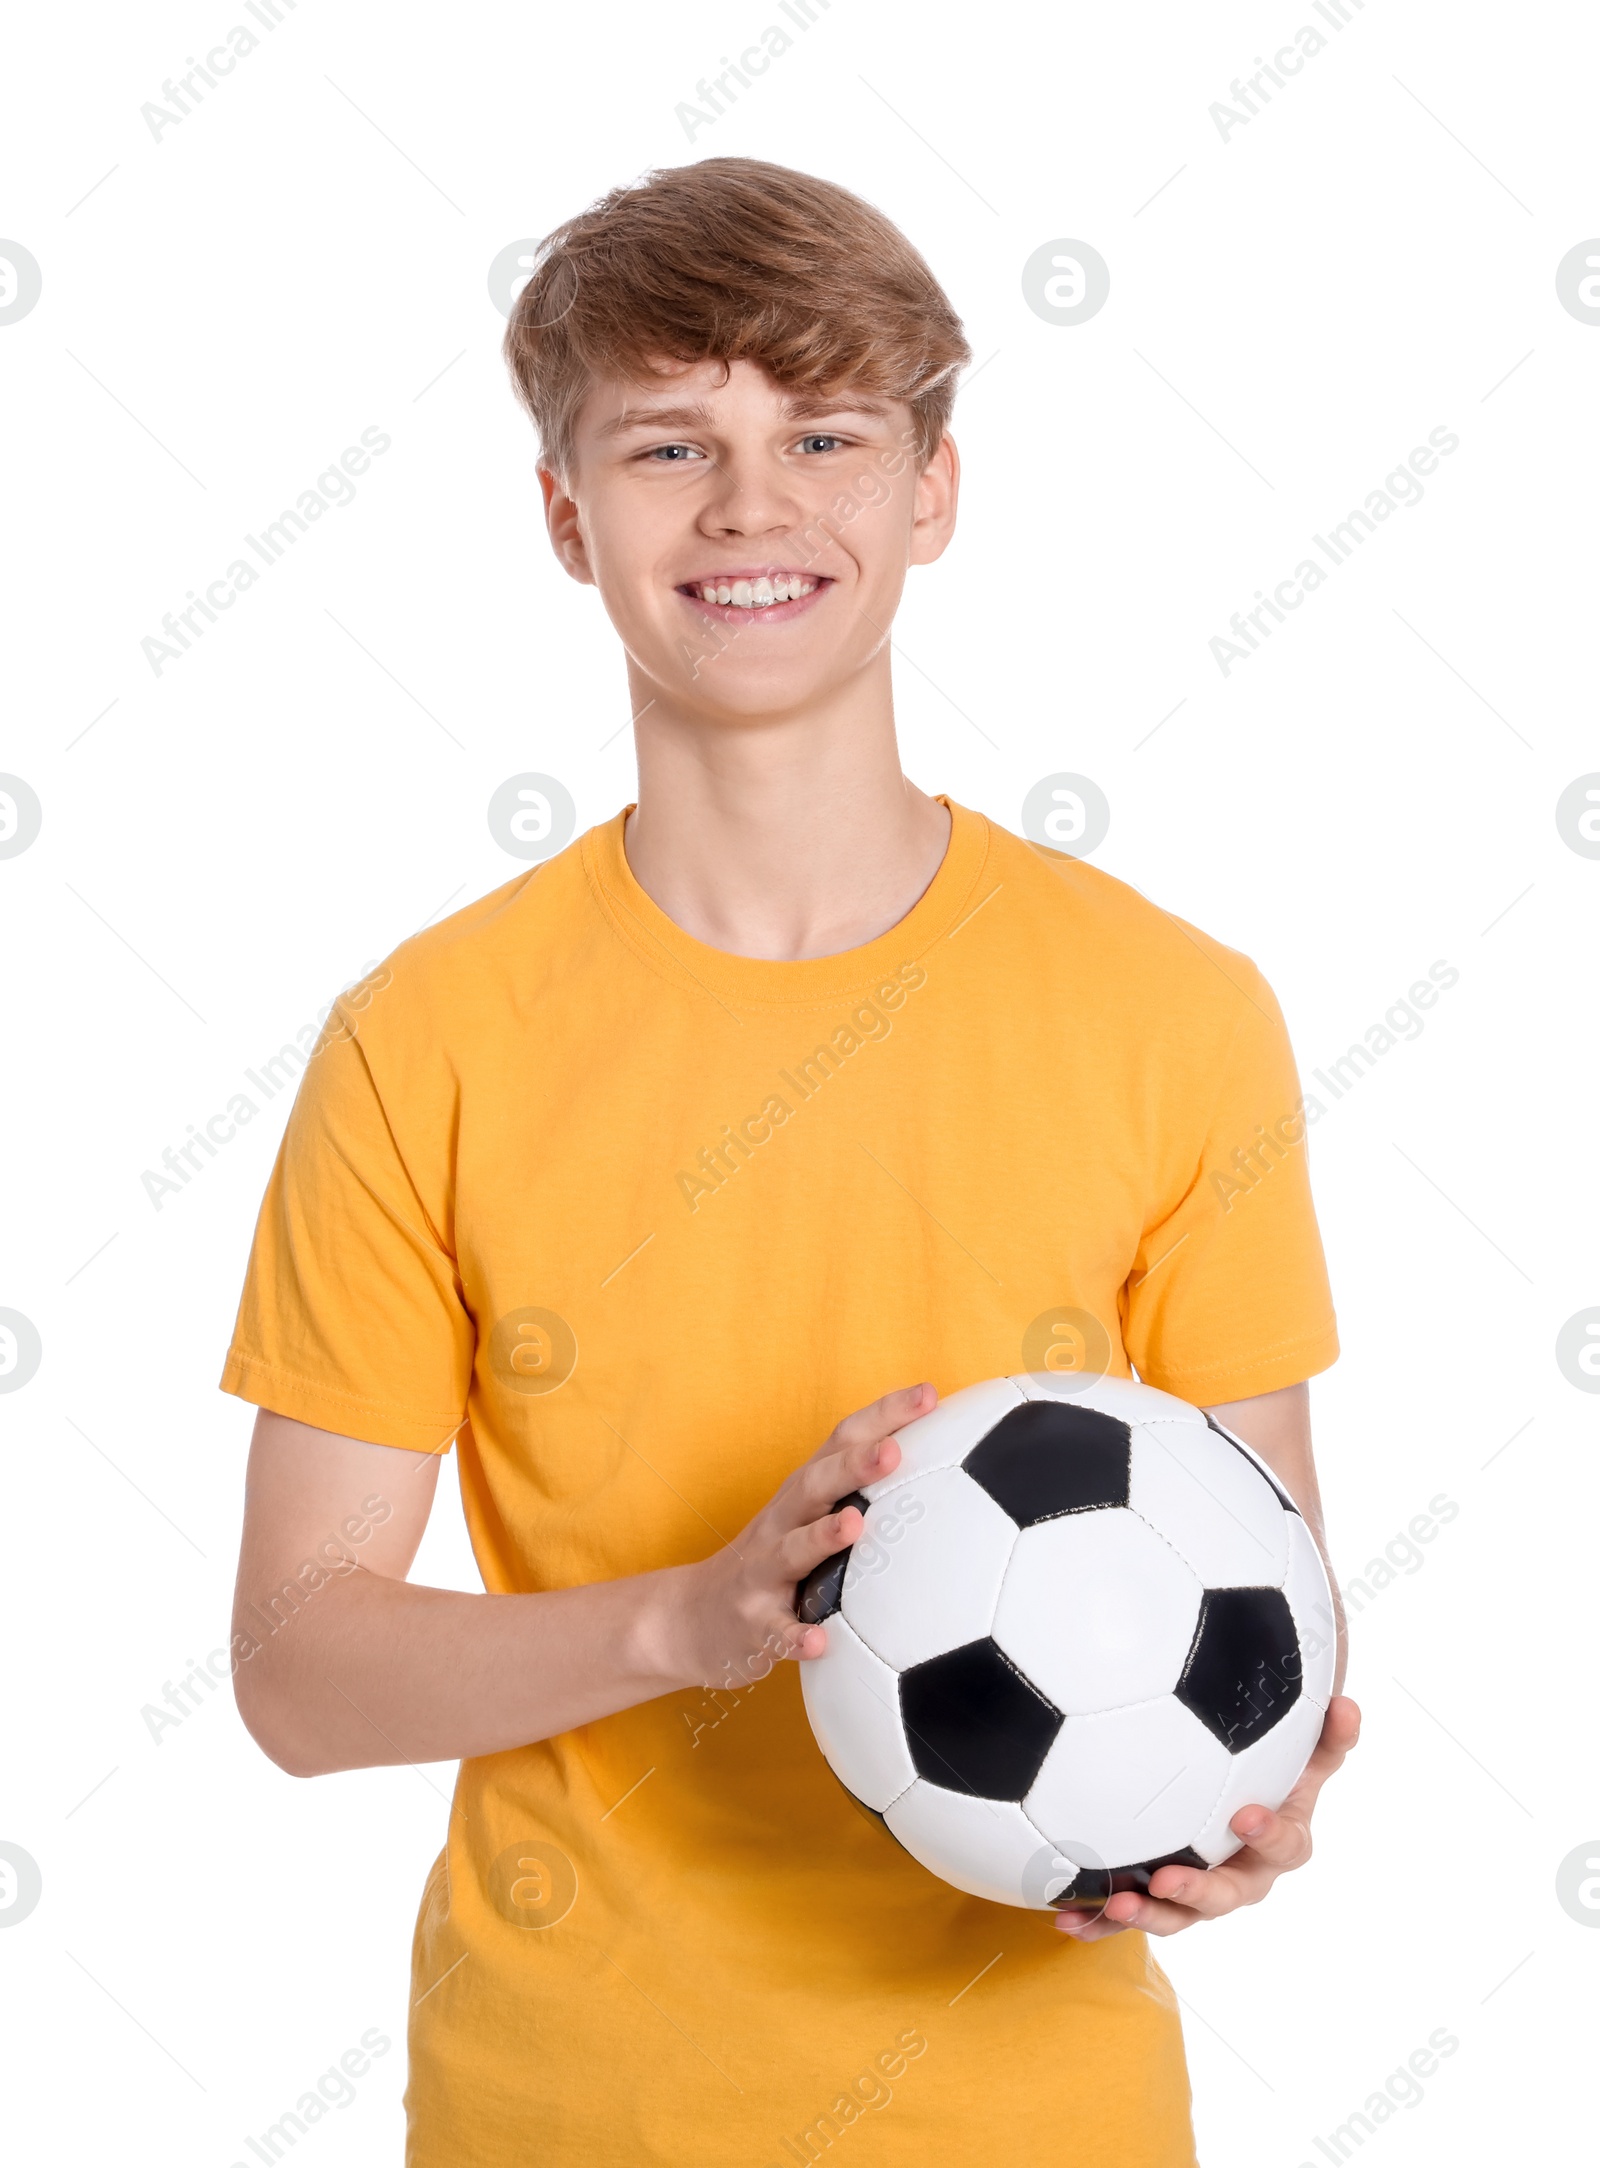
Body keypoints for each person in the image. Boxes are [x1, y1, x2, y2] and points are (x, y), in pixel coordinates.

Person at [223, 155, 1359, 2166]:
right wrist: (683, 1617)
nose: (749, 508)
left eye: (821, 432)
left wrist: (1248, 1817)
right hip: (567, 2110)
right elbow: (301, 1667)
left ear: (929, 491)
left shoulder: (1175, 1013)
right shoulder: (425, 1043)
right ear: (567, 517)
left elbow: (1254, 1577)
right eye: (670, 443)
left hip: (1039, 2116)